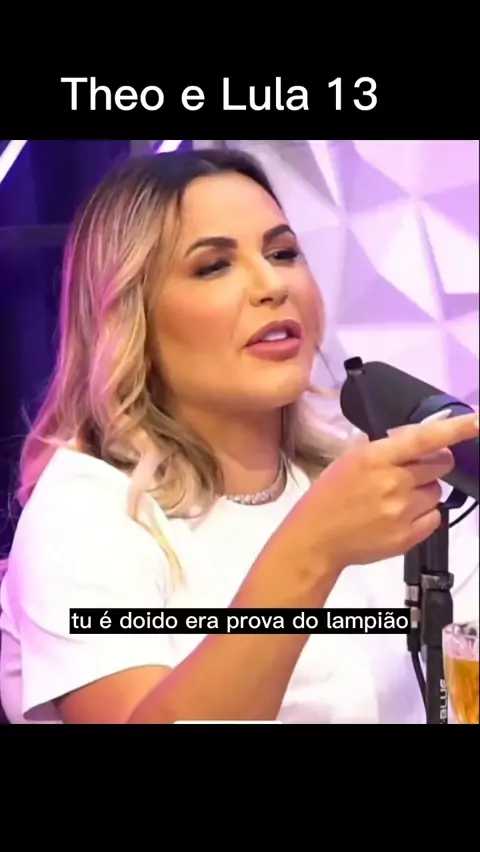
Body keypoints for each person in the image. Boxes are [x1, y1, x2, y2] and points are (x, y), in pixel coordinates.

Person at [0, 148, 478, 725]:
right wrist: (314, 549)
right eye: (214, 266)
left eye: (283, 253)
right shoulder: (88, 510)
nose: (272, 284)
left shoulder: (369, 483)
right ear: (131, 314)